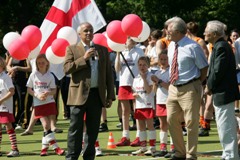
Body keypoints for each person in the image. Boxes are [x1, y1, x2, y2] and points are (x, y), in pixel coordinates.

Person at [64, 22, 115, 160]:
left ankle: (89, 157)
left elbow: (108, 74)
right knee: (75, 129)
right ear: (79, 34)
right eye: (85, 31)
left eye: (90, 30)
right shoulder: (72, 49)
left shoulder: (102, 50)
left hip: (96, 95)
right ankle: (72, 157)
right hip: (78, 95)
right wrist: (84, 58)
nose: (88, 33)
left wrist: (110, 95)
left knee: (92, 130)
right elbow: (67, 69)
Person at [165, 17, 208, 160]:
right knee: (170, 119)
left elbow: (203, 68)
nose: (167, 33)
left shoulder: (193, 46)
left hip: (190, 87)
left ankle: (191, 154)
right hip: (173, 88)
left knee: (191, 122)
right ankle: (179, 152)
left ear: (178, 31)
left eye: (169, 30)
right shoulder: (171, 45)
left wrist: (196, 84)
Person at [204, 20, 240, 160]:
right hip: (222, 93)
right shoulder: (220, 46)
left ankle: (230, 155)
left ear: (214, 34)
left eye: (206, 31)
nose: (204, 33)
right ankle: (228, 154)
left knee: (226, 126)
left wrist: (209, 86)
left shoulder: (221, 47)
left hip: (223, 93)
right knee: (223, 125)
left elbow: (217, 71)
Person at [26, 54, 65, 156]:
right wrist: (37, 95)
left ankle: (44, 149)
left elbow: (54, 90)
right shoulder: (33, 75)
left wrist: (48, 93)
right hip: (38, 104)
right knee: (46, 125)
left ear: (47, 63)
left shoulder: (50, 75)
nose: (41, 64)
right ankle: (56, 148)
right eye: (39, 63)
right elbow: (29, 89)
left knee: (46, 127)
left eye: (43, 62)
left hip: (49, 102)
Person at [115, 38, 144, 147]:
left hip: (136, 83)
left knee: (137, 110)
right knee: (124, 111)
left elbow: (143, 66)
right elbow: (117, 69)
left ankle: (139, 136)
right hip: (123, 83)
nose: (129, 40)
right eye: (127, 38)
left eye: (131, 38)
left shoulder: (139, 50)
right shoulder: (121, 51)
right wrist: (118, 53)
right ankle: (125, 136)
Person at [150, 50, 174, 157]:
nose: (163, 61)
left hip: (169, 100)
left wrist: (158, 81)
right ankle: (163, 147)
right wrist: (154, 82)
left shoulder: (171, 71)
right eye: (161, 59)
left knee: (172, 124)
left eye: (165, 59)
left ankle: (174, 147)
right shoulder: (157, 72)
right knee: (162, 125)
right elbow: (155, 90)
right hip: (160, 101)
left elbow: (170, 87)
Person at [131, 56, 156, 156]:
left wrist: (144, 78)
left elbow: (149, 90)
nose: (142, 67)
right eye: (140, 65)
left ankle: (153, 147)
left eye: (144, 65)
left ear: (148, 66)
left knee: (150, 126)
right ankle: (143, 147)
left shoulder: (150, 76)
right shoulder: (136, 78)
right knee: (141, 127)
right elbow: (134, 91)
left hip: (148, 105)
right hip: (139, 106)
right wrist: (134, 95)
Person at [0, 56, 20, 157]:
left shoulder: (5, 77)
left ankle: (15, 149)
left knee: (8, 126)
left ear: (2, 66)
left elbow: (12, 91)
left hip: (5, 107)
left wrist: (1, 100)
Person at [6, 57, 31, 129]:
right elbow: (8, 65)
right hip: (13, 81)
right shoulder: (12, 56)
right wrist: (11, 70)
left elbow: (29, 68)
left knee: (21, 102)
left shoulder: (26, 57)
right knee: (12, 102)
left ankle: (22, 121)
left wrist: (17, 68)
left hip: (22, 82)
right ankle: (13, 122)